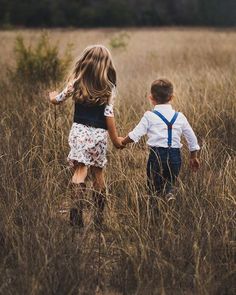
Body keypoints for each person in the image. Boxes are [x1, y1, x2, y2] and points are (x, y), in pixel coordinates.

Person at [49, 45, 123, 228]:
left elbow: (57, 100)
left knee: (80, 171)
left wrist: (51, 95)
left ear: (85, 62)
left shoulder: (76, 83)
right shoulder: (109, 88)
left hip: (79, 133)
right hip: (98, 136)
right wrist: (115, 139)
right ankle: (99, 219)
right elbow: (109, 115)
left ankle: (76, 217)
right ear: (106, 65)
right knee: (98, 174)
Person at [122, 78, 200, 201]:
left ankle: (155, 209)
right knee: (170, 180)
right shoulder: (180, 117)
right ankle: (169, 193)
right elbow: (192, 139)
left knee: (153, 187)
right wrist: (193, 156)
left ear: (151, 98)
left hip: (156, 156)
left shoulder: (149, 116)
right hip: (175, 157)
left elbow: (134, 135)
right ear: (172, 97)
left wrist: (122, 142)